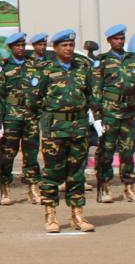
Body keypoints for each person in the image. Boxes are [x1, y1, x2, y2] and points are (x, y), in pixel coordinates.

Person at [30, 29, 99, 233]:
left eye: (71, 45)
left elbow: (91, 95)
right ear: (55, 48)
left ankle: (78, 215)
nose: (69, 48)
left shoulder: (82, 68)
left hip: (78, 129)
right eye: (64, 45)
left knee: (76, 174)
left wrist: (96, 117)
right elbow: (33, 100)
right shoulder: (45, 69)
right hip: (55, 131)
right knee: (52, 173)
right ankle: (51, 214)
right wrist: (48, 118)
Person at [93, 24, 135, 204]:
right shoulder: (102, 61)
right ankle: (104, 187)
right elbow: (96, 90)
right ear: (109, 40)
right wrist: (97, 117)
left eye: (122, 38)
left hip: (128, 113)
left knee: (128, 152)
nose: (120, 41)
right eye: (116, 39)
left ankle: (129, 188)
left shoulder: (133, 60)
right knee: (106, 151)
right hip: (109, 112)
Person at [0, 32, 41, 205]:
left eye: (22, 45)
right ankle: (4, 188)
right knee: (7, 154)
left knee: (31, 153)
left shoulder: (33, 64)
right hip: (11, 116)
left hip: (30, 115)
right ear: (11, 48)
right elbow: (0, 97)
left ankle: (33, 188)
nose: (20, 48)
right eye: (17, 46)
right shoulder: (4, 66)